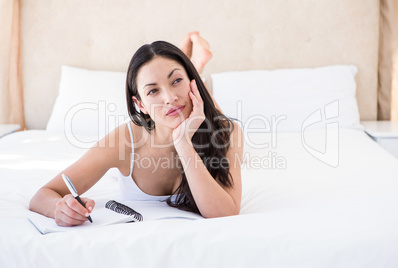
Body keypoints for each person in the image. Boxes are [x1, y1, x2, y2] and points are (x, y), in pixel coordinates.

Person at [29, 32, 244, 226]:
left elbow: (224, 214)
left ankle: (195, 68)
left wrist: (184, 144)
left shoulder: (230, 132)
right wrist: (61, 209)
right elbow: (42, 196)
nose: (169, 98)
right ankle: (192, 67)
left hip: (208, 128)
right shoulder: (124, 140)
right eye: (152, 91)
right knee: (185, 104)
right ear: (140, 105)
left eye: (177, 80)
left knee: (213, 119)